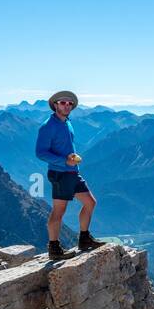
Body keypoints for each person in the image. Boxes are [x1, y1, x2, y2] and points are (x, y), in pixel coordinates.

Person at [35, 90, 102, 257]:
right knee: (59, 211)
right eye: (63, 103)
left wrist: (71, 159)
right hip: (60, 173)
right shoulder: (48, 126)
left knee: (90, 202)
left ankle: (84, 238)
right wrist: (65, 160)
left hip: (72, 172)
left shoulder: (67, 123)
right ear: (55, 105)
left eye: (70, 103)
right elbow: (41, 152)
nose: (67, 106)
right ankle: (54, 248)